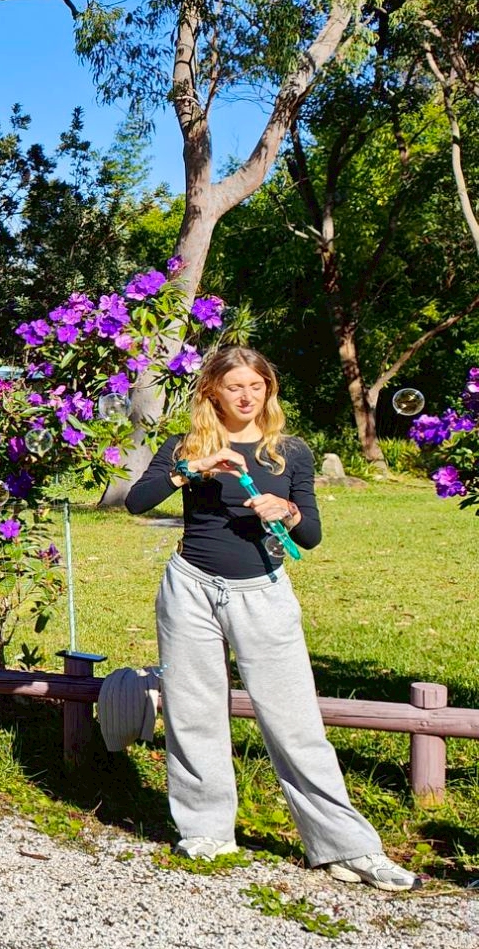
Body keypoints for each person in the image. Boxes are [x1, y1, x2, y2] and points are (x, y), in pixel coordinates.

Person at [127, 345, 414, 891]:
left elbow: (310, 536)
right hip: (191, 589)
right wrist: (193, 468)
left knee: (295, 721)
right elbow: (139, 502)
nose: (245, 395)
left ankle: (345, 847)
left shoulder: (291, 453)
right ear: (212, 390)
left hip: (263, 592)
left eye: (255, 387)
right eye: (234, 386)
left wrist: (290, 510)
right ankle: (206, 830)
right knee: (193, 713)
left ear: (267, 392)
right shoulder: (185, 448)